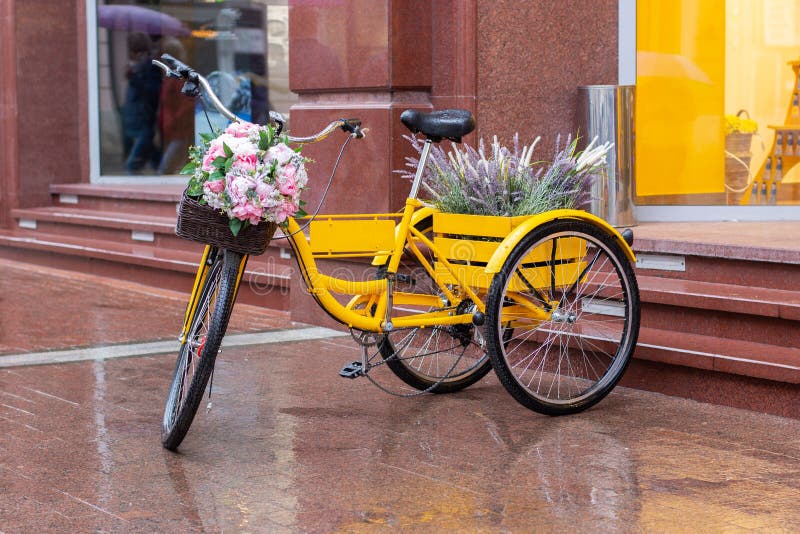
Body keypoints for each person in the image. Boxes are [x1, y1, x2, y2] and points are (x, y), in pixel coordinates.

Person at [121, 32, 162, 174]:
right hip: (134, 121)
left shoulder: (150, 66)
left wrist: (134, 78)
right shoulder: (137, 66)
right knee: (156, 162)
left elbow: (152, 92)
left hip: (144, 122)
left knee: (132, 166)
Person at [157, 38, 194, 174]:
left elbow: (187, 102)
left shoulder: (180, 76)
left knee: (165, 169)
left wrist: (175, 120)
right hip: (170, 130)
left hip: (179, 130)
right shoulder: (170, 75)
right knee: (174, 166)